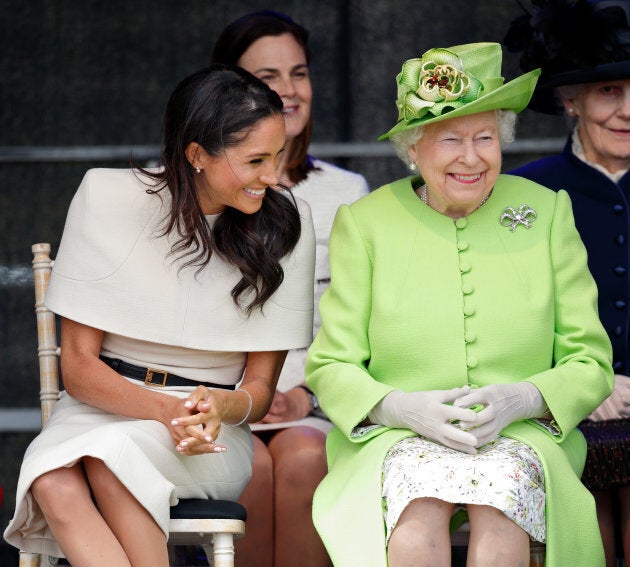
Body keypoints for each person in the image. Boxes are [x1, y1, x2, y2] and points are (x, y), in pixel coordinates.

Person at [305, 41, 614, 567]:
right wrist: (399, 407)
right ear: (412, 149)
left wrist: (524, 398)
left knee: (502, 506)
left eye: (485, 138)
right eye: (450, 139)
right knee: (417, 517)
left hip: (522, 434)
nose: (471, 157)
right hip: (399, 435)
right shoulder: (366, 223)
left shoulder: (546, 212)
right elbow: (332, 365)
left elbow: (591, 361)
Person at [3, 63, 316, 566]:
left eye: (278, 156)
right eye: (256, 160)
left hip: (209, 432)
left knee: (108, 463)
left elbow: (258, 392)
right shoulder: (107, 197)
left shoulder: (285, 227)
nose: (273, 176)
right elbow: (79, 370)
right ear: (197, 154)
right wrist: (164, 411)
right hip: (97, 409)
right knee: (51, 481)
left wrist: (217, 408)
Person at [210, 10, 369, 567]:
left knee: (304, 457)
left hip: (315, 400)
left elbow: (363, 324)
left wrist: (307, 395)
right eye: (268, 77)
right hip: (218, 402)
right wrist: (235, 398)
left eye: (298, 73)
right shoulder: (198, 189)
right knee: (247, 463)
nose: (289, 91)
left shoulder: (348, 192)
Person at [505, 1, 630, 565]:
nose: (628, 110)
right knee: (583, 516)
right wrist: (579, 386)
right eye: (608, 91)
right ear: (570, 99)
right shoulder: (523, 194)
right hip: (565, 410)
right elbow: (508, 315)